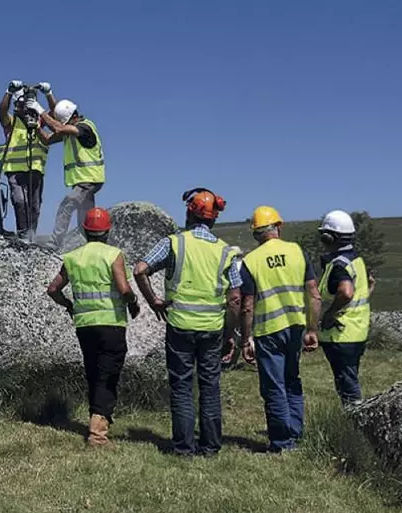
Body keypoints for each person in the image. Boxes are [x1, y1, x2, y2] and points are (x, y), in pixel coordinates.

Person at [133, 188, 241, 457]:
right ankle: (211, 446)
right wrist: (231, 332)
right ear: (214, 218)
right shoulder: (226, 252)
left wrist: (154, 300)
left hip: (180, 325)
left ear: (189, 213)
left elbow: (139, 269)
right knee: (210, 386)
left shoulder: (174, 243)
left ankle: (183, 447)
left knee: (181, 386)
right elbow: (236, 298)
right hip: (213, 328)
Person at [46, 207, 141, 447]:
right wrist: (133, 303)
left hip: (85, 325)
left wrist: (69, 305)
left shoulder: (73, 257)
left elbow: (53, 289)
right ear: (107, 231)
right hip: (111, 324)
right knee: (107, 377)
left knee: (94, 373)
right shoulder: (113, 254)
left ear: (86, 231)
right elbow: (124, 289)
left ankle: (99, 418)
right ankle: (98, 434)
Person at [239, 206, 321, 453]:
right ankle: (296, 435)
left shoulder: (250, 261)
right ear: (279, 227)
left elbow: (247, 306)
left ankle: (282, 442)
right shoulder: (297, 251)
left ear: (256, 233)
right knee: (292, 381)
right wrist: (312, 329)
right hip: (295, 327)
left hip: (268, 331)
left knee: (274, 387)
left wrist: (245, 340)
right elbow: (314, 295)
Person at [316, 210, 374, 407]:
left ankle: (355, 425)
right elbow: (367, 285)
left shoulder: (339, 265)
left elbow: (346, 292)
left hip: (341, 334)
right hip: (357, 330)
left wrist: (330, 313)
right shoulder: (356, 261)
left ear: (328, 237)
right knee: (349, 378)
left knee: (347, 385)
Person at [37, 93, 105, 251]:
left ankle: (54, 244)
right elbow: (47, 139)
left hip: (89, 179)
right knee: (85, 216)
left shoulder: (84, 128)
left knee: (67, 204)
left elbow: (58, 127)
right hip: (84, 180)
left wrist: (40, 110)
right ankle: (91, 245)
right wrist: (37, 127)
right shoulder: (71, 130)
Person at [0, 79, 52, 239]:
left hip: (35, 171)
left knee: (34, 206)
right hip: (15, 172)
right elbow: (1, 112)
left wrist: (48, 94)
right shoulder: (11, 122)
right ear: (16, 106)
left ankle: (31, 236)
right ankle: (23, 234)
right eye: (21, 106)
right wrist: (9, 92)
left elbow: (55, 115)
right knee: (20, 202)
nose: (24, 109)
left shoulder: (37, 120)